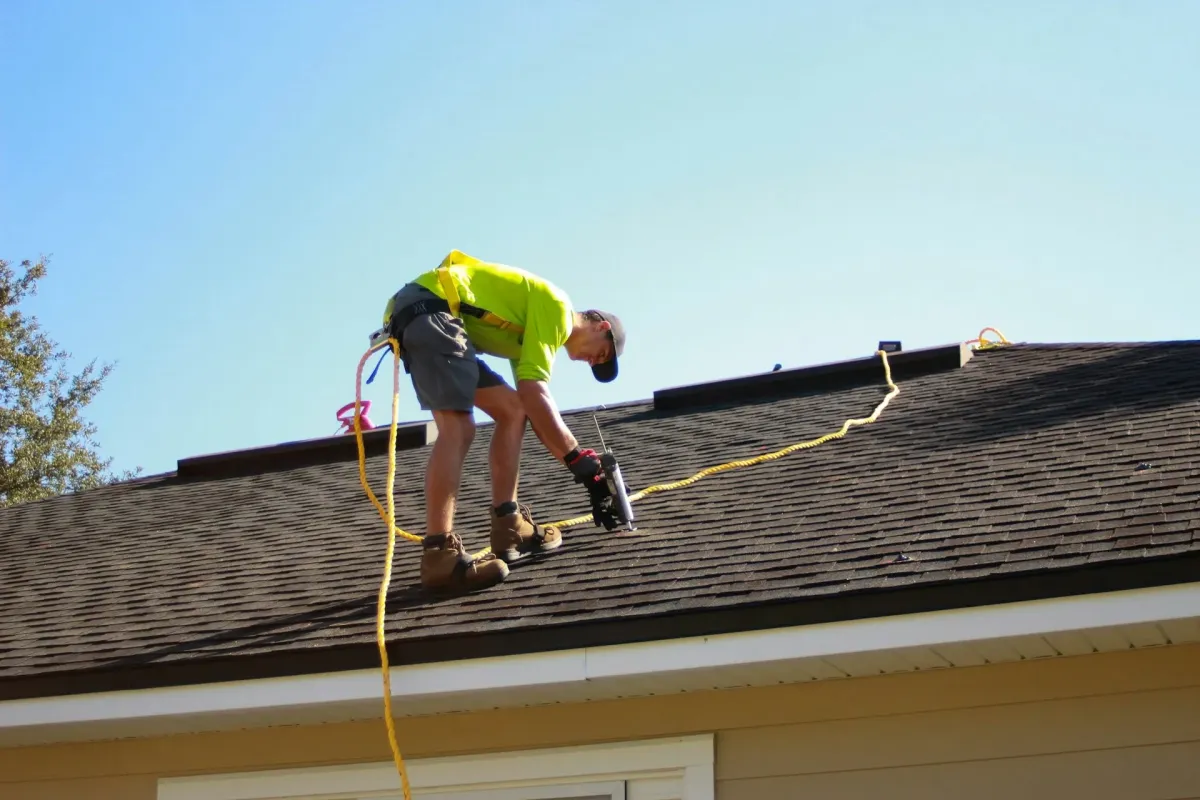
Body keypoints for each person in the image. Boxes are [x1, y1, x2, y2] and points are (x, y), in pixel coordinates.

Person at [379, 250, 627, 595]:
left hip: (433, 317)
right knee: (458, 427)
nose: (590, 361)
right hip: (430, 312)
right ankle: (439, 556)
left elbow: (530, 401)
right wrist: (578, 460)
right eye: (600, 353)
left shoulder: (530, 334)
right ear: (601, 326)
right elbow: (537, 393)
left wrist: (580, 464)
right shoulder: (556, 307)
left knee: (512, 410)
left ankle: (508, 525)